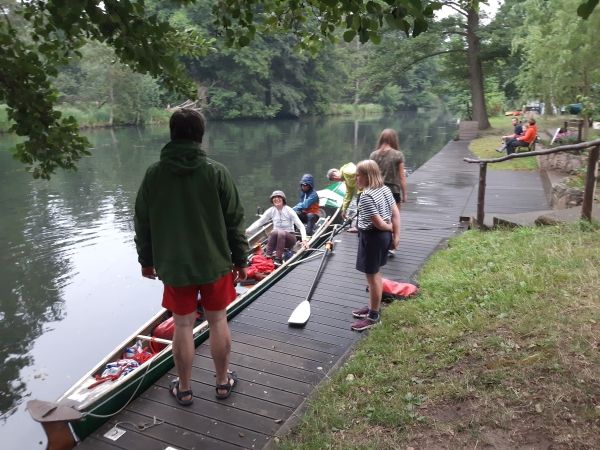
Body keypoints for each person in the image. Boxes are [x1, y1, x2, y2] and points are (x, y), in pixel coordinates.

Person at [134, 108, 248, 405]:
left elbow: (142, 221)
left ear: (172, 134)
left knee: (183, 325)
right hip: (215, 263)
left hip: (175, 266)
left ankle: (184, 389)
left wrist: (146, 260)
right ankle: (223, 383)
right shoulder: (216, 172)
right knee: (217, 320)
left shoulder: (153, 174)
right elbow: (234, 220)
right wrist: (241, 259)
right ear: (200, 136)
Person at [350, 160, 400, 332]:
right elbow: (395, 213)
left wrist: (390, 228)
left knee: (372, 277)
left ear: (367, 176)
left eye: (358, 175)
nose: (355, 178)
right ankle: (374, 306)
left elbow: (379, 223)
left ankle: (373, 316)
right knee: (376, 273)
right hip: (382, 238)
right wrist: (396, 235)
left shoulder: (366, 196)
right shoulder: (385, 189)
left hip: (373, 238)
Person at [246, 190, 309, 266]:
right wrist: (248, 230)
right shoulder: (271, 210)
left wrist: (304, 240)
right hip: (277, 239)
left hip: (289, 239)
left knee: (281, 232)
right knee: (273, 232)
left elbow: (301, 226)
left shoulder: (289, 210)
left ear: (283, 199)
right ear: (272, 201)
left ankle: (278, 259)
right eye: (274, 198)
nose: (277, 199)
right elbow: (260, 222)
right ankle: (268, 256)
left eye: (279, 197)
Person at [327, 163, 360, 232]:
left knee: (360, 205)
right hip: (364, 190)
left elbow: (359, 171)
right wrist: (344, 210)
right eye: (333, 179)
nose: (335, 178)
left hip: (368, 187)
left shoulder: (346, 171)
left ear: (337, 170)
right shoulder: (347, 181)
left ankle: (358, 227)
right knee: (359, 204)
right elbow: (348, 195)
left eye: (334, 175)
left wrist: (361, 183)